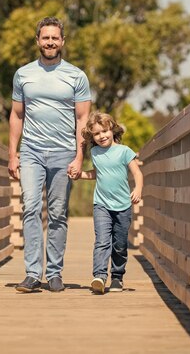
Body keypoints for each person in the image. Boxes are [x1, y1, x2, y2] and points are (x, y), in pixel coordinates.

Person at [9, 16, 91, 293]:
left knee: (57, 213)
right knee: (30, 207)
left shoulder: (76, 76)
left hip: (63, 153)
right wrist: (13, 153)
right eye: (45, 38)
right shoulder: (23, 74)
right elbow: (17, 114)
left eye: (55, 38)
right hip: (31, 150)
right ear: (38, 40)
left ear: (63, 41)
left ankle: (54, 273)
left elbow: (83, 121)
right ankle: (33, 273)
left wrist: (80, 157)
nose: (50, 42)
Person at [72, 112, 143, 294]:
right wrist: (81, 175)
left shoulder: (124, 151)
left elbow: (137, 173)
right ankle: (99, 276)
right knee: (102, 241)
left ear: (112, 130)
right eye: (97, 134)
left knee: (119, 244)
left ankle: (117, 277)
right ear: (92, 137)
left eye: (105, 131)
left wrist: (138, 189)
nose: (102, 136)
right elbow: (98, 173)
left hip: (123, 206)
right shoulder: (95, 152)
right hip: (101, 204)